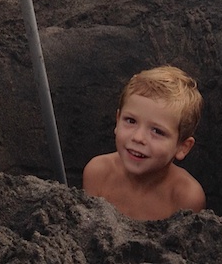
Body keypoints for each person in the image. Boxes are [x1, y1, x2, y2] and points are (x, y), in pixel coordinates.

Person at [82, 66, 205, 221]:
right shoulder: (98, 172)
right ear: (117, 120)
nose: (138, 137)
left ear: (182, 147)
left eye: (157, 131)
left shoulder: (185, 197)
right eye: (131, 121)